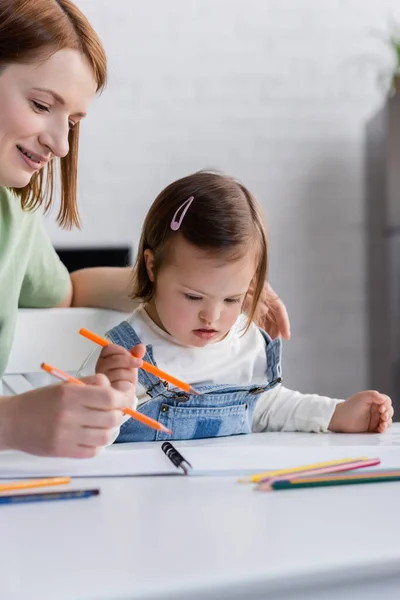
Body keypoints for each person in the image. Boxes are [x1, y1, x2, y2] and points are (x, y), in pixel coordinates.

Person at [0, 0, 289, 457]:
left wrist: (204, 287)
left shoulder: (12, 212)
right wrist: (11, 420)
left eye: (73, 123)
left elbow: (68, 293)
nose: (60, 143)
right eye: (40, 105)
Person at [81, 171, 393, 442]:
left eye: (232, 299)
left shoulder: (245, 341)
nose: (212, 317)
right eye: (192, 297)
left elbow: (267, 407)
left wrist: (336, 414)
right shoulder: (118, 354)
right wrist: (110, 398)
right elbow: (83, 436)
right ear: (152, 267)